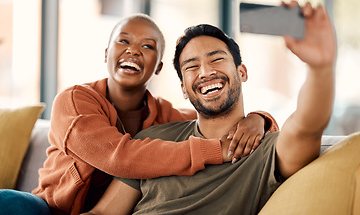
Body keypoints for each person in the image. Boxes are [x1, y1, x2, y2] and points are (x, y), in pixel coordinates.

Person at [0, 14, 278, 215]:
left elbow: (213, 119)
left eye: (147, 46)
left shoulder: (166, 117)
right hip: (51, 209)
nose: (133, 50)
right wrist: (215, 151)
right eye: (123, 41)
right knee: (11, 204)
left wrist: (260, 119)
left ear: (158, 67)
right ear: (107, 53)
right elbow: (120, 157)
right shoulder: (74, 102)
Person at [83, 1, 336, 215]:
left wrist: (320, 68)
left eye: (216, 59)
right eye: (192, 66)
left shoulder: (267, 150)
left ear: (242, 72)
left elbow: (307, 126)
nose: (205, 72)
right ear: (184, 88)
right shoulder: (153, 140)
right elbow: (103, 212)